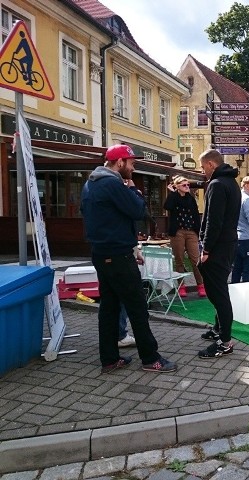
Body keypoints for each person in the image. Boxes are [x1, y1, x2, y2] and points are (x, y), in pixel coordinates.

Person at [81, 144, 177, 373]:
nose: (134, 167)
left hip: (102, 253)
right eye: (131, 163)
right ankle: (150, 358)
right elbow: (137, 210)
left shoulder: (91, 183)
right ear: (119, 162)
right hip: (117, 255)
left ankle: (109, 359)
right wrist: (134, 190)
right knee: (137, 308)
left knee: (109, 308)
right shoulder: (112, 183)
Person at [197, 148, 241, 359]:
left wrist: (206, 249)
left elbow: (213, 221)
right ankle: (218, 330)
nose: (202, 171)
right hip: (228, 244)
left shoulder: (216, 184)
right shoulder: (232, 183)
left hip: (217, 248)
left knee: (219, 294)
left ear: (211, 165)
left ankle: (225, 342)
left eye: (202, 166)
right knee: (218, 291)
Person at [164, 175, 205, 298]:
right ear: (177, 186)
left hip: (191, 231)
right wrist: (172, 193)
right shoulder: (174, 197)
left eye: (188, 185)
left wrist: (198, 232)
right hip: (178, 232)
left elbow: (195, 215)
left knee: (195, 259)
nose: (187, 187)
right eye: (184, 185)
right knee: (179, 260)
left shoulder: (190, 198)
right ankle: (181, 286)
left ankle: (201, 285)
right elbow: (167, 207)